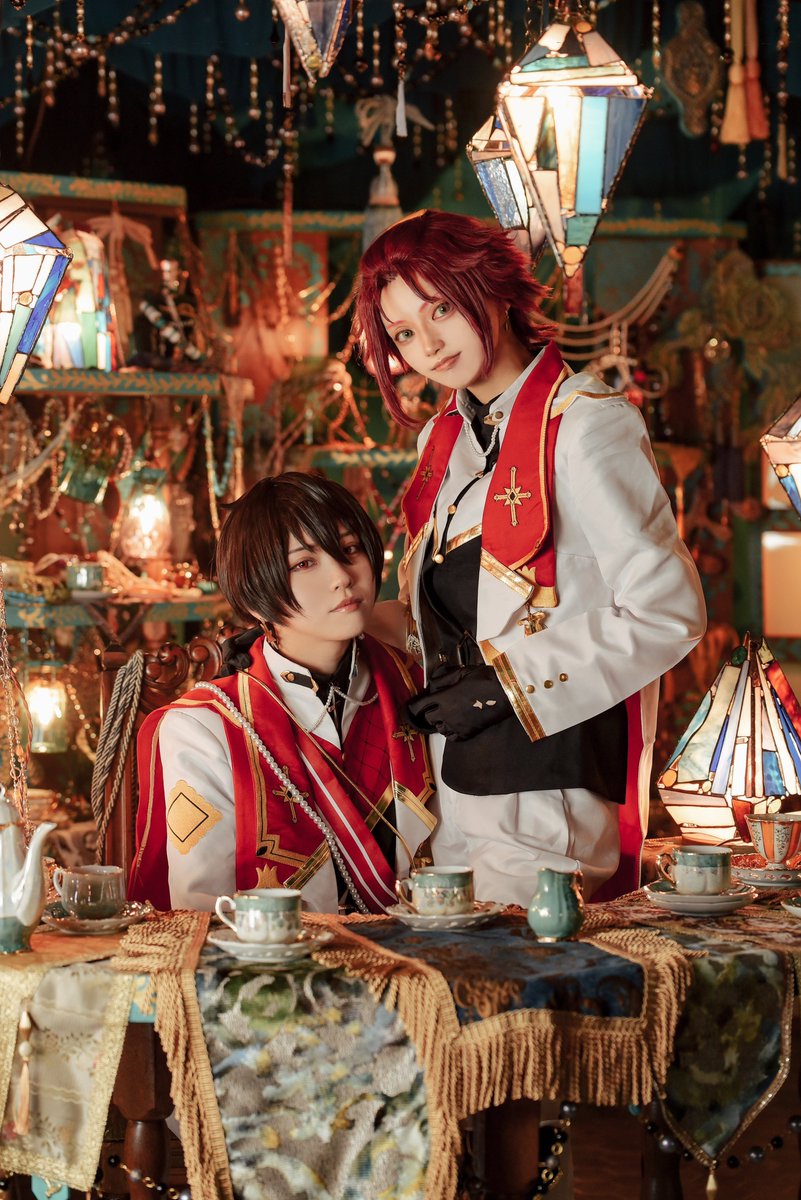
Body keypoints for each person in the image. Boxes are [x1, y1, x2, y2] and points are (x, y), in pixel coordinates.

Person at [355, 210, 706, 904]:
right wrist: (299, 620)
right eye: (403, 333)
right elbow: (436, 628)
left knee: (518, 970)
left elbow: (667, 613)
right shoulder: (442, 442)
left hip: (547, 787)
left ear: (491, 286)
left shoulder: (585, 424)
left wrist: (502, 688)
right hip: (449, 787)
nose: (428, 343)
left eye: (440, 308)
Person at [129, 472, 435, 913]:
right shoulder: (205, 728)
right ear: (255, 596)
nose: (342, 576)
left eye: (350, 550)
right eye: (304, 563)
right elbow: (201, 911)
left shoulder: (415, 683)